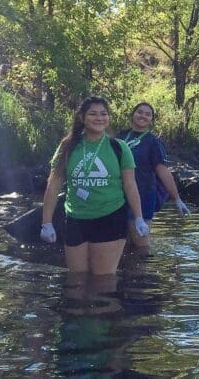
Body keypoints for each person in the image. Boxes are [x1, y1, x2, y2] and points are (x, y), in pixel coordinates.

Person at [40, 96, 148, 276]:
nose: (99, 118)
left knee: (103, 280)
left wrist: (139, 217)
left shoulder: (119, 147)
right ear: (82, 118)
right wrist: (46, 223)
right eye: (93, 114)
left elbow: (130, 185)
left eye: (103, 114)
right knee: (76, 278)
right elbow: (54, 185)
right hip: (75, 218)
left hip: (110, 218)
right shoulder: (68, 146)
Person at [118, 102, 190, 252]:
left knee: (140, 243)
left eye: (147, 114)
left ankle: (142, 274)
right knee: (121, 243)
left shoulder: (153, 142)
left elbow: (162, 171)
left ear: (151, 120)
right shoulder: (120, 137)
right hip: (118, 196)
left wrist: (177, 199)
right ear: (133, 115)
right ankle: (124, 274)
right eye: (139, 112)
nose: (143, 116)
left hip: (144, 195)